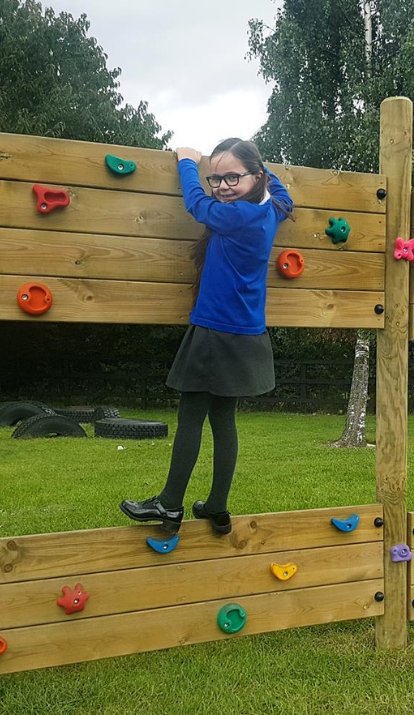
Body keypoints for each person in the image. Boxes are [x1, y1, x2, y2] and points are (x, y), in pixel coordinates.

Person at [120, 138, 293, 535]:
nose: (222, 186)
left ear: (255, 177)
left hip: (217, 330)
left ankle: (169, 505)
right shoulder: (271, 211)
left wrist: (187, 163)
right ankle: (217, 506)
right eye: (215, 178)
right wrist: (259, 169)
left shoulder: (238, 216)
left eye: (232, 177)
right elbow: (283, 192)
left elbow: (197, 205)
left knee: (191, 416)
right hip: (245, 331)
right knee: (223, 418)